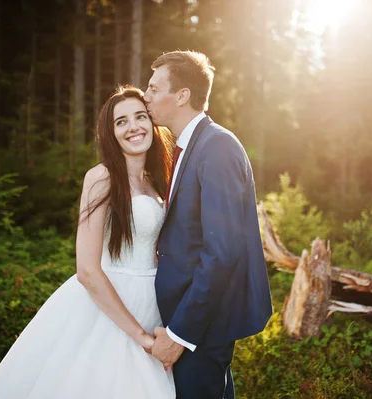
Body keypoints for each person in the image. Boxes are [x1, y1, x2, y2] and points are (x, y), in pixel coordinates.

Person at [0, 86, 176, 399]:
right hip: (111, 305)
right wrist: (140, 336)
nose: (134, 126)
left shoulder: (156, 180)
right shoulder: (102, 177)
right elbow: (86, 269)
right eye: (121, 121)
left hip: (151, 303)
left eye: (140, 116)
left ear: (152, 123)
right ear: (109, 133)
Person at [145, 50, 273, 399]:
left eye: (155, 88)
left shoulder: (217, 147)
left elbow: (222, 252)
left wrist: (180, 335)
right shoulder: (190, 146)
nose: (147, 95)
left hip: (202, 327)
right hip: (189, 318)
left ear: (182, 95)